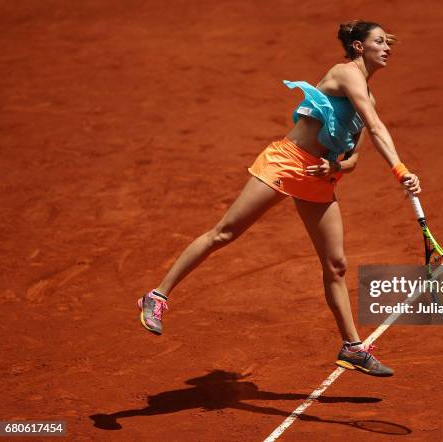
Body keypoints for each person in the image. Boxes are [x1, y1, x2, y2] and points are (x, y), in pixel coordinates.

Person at [138, 20, 421, 377]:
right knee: (225, 232)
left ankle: (352, 348)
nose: (387, 48)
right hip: (286, 163)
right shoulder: (346, 73)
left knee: (336, 265)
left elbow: (352, 160)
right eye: (379, 41)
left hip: (316, 176)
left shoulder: (369, 97)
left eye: (388, 42)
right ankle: (158, 296)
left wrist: (333, 164)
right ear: (359, 47)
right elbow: (377, 127)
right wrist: (400, 170)